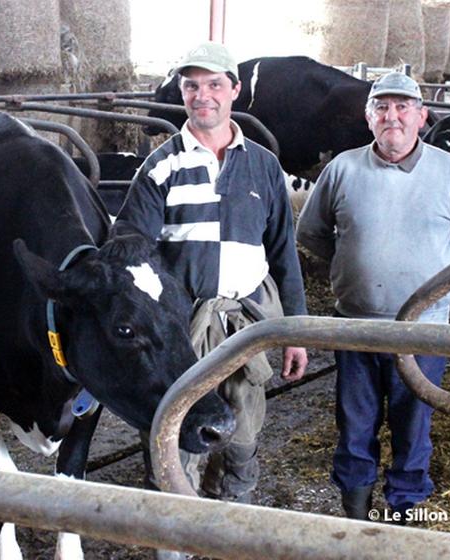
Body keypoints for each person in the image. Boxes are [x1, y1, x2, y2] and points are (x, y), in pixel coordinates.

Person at [116, 41, 308, 510]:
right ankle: (178, 527)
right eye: (192, 86)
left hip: (249, 321)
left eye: (215, 85)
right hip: (181, 328)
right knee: (175, 437)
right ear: (181, 93)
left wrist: (296, 332)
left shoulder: (263, 165)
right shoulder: (160, 166)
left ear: (235, 90)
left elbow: (284, 250)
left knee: (243, 436)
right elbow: (128, 248)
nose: (203, 96)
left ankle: (230, 516)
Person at [296, 72, 450, 523]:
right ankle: (356, 515)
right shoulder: (342, 168)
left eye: (402, 107)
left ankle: (404, 514)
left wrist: (438, 294)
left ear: (422, 115)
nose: (391, 116)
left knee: (413, 424)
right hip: (356, 324)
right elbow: (312, 233)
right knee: (354, 424)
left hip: (424, 332)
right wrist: (354, 266)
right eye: (381, 107)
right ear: (368, 116)